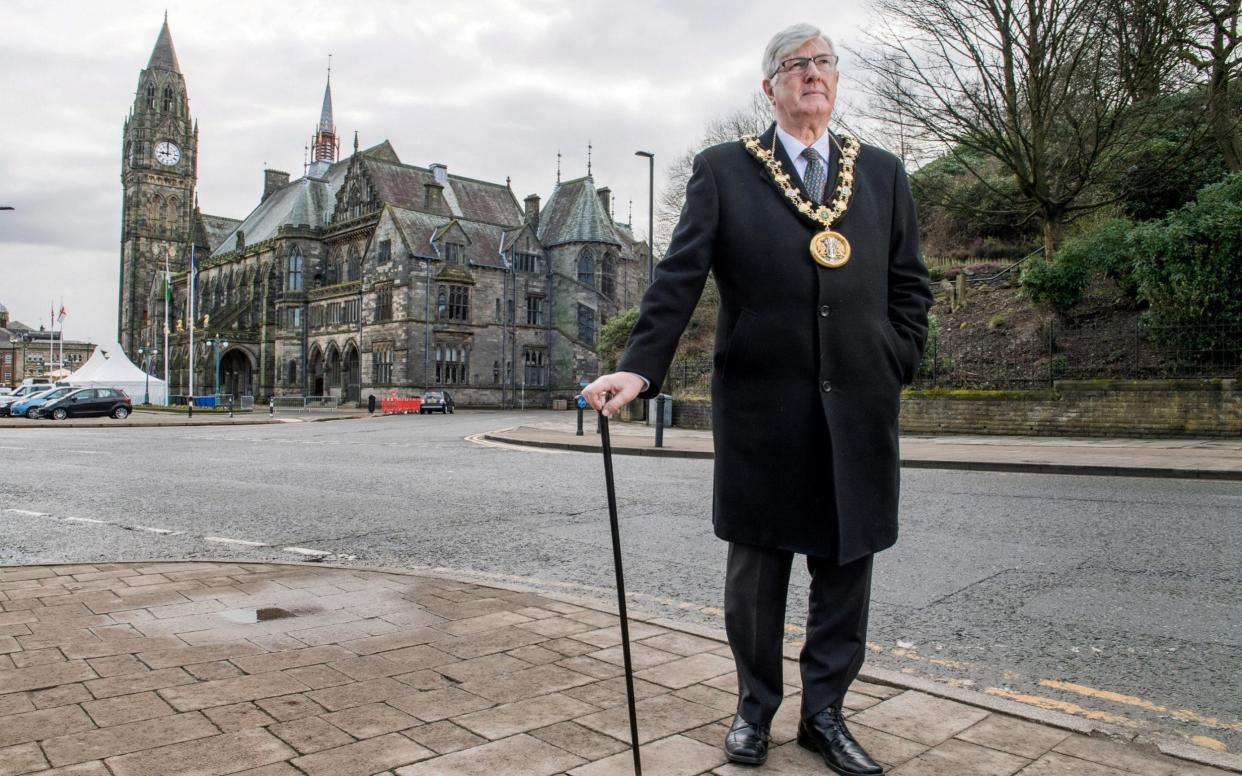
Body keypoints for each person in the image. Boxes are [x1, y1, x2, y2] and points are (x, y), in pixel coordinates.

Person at [581, 22, 931, 774]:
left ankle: (826, 715)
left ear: (837, 82)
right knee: (759, 569)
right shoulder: (724, 170)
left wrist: (897, 356)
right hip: (764, 408)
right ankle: (754, 710)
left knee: (847, 564)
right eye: (794, 65)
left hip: (859, 406)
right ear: (767, 87)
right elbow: (678, 278)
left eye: (824, 63)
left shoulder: (884, 174)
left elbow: (911, 284)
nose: (812, 74)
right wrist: (639, 371)